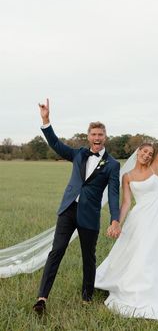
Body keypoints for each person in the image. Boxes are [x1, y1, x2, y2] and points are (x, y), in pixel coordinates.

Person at [95, 113, 158, 320]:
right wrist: (116, 222)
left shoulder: (155, 168)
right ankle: (133, 285)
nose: (147, 155)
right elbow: (127, 202)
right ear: (138, 152)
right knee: (137, 251)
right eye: (144, 151)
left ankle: (156, 285)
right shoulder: (127, 176)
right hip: (140, 217)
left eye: (150, 153)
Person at [33, 99, 121, 315]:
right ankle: (41, 298)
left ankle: (87, 297)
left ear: (105, 137)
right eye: (94, 134)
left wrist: (115, 219)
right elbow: (56, 144)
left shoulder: (112, 165)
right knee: (56, 252)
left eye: (100, 134)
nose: (97, 138)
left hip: (89, 215)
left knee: (88, 257)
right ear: (88, 136)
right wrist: (46, 121)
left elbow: (113, 193)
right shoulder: (79, 154)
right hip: (68, 210)